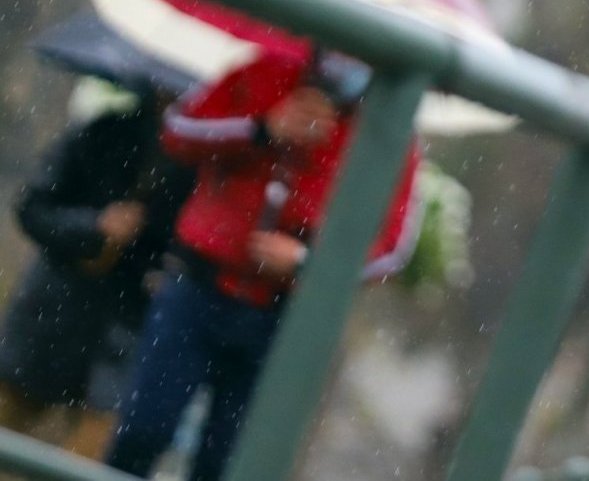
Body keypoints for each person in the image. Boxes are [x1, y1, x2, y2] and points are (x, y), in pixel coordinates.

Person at [104, 50, 420, 481]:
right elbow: (179, 130)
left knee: (229, 464)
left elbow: (393, 249)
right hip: (197, 289)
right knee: (142, 432)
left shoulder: (389, 129)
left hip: (285, 319)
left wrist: (310, 262)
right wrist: (262, 129)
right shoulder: (265, 71)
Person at [0, 83, 195, 458]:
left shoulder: (204, 168)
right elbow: (33, 208)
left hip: (122, 336)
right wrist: (95, 226)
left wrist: (167, 272)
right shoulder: (102, 132)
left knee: (91, 451)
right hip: (52, 317)